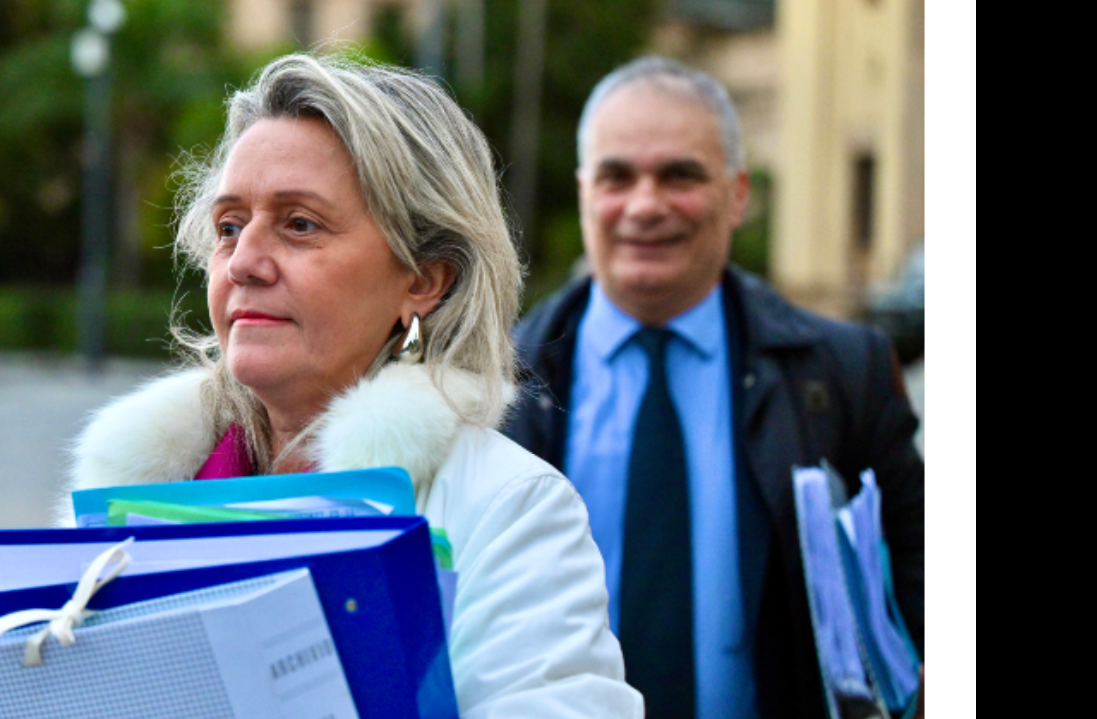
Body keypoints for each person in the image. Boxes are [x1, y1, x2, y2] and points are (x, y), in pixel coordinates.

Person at [57, 53, 644, 718]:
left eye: (299, 224)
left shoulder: (510, 508)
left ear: (424, 280)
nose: (244, 262)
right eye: (229, 227)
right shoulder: (126, 499)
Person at [503, 56, 924, 719]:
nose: (645, 205)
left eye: (680, 175)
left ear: (738, 193)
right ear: (584, 192)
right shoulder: (490, 388)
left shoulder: (844, 374)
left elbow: (924, 580)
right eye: (617, 177)